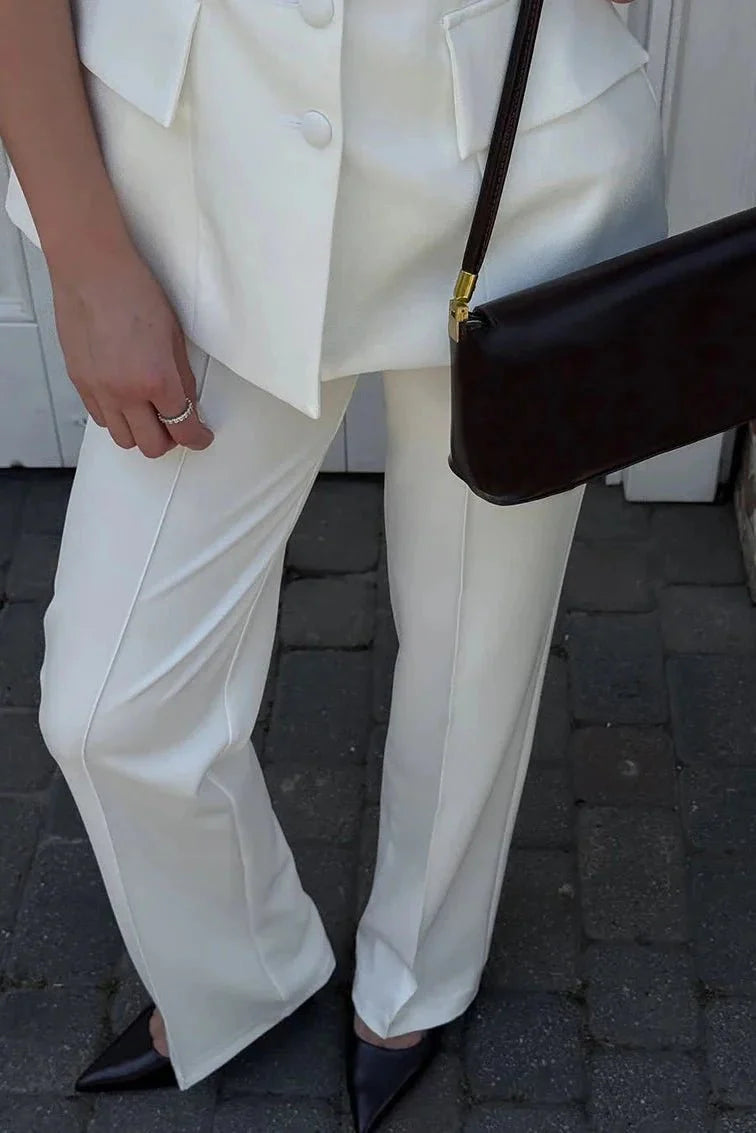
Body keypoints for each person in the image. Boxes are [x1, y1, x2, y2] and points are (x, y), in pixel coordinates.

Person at [0, 0, 665, 1128]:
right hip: (207, 182)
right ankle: (245, 970)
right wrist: (86, 259)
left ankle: (420, 972)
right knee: (112, 706)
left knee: (476, 643)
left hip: (515, 165)